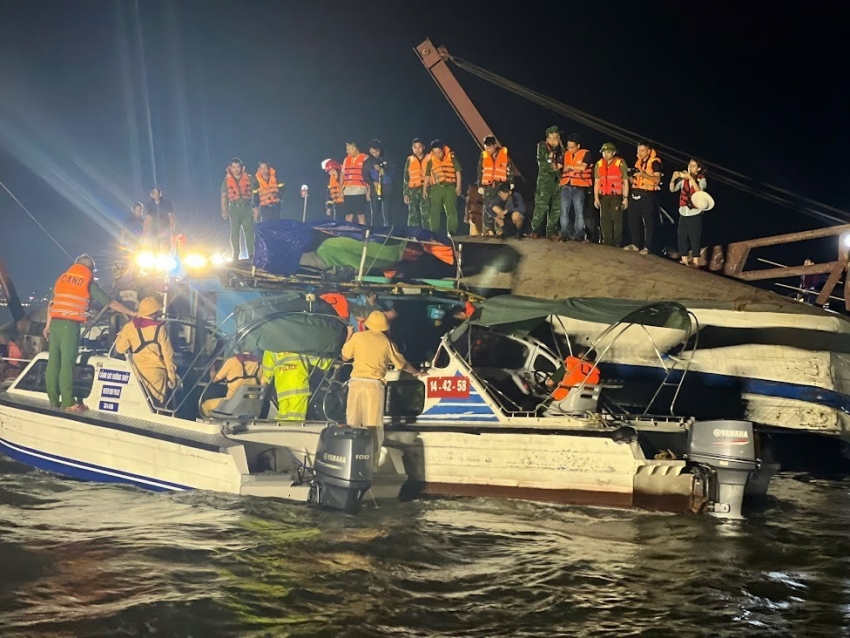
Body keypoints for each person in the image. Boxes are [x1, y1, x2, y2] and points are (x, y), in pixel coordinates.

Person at [44, 254, 136, 411]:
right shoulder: (87, 282)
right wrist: (132, 313)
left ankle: (53, 399)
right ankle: (68, 402)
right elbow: (110, 302)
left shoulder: (62, 279)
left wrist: (47, 326)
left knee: (53, 362)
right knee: (67, 363)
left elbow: (51, 304)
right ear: (90, 269)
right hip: (69, 326)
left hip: (55, 324)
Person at [341, 310, 422, 469]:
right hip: (374, 387)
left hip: (356, 384)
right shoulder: (386, 343)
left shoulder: (358, 337)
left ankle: (350, 461)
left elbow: (344, 357)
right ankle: (372, 465)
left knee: (353, 424)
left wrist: (349, 334)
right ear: (385, 327)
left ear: (368, 324)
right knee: (373, 426)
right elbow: (402, 364)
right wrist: (417, 372)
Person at [114, 296, 177, 407]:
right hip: (156, 375)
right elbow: (168, 355)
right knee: (157, 408)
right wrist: (172, 376)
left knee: (139, 407)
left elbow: (120, 349)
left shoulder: (130, 327)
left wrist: (121, 335)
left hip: (137, 374)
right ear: (154, 313)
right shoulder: (160, 329)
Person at [261, 350, 332, 421]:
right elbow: (316, 359)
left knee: (282, 420)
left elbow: (267, 372)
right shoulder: (301, 344)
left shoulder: (270, 347)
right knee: (295, 421)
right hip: (299, 390)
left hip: (282, 392)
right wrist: (331, 361)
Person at [669, 158, 708, 267]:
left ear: (698, 169)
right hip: (683, 212)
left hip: (695, 213)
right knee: (682, 236)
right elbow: (672, 189)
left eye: (693, 166)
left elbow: (699, 191)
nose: (690, 168)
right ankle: (684, 260)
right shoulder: (683, 181)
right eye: (689, 165)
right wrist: (673, 179)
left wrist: (691, 178)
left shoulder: (702, 180)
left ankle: (696, 262)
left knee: (694, 237)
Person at [626, 141, 663, 254]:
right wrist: (629, 175)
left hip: (647, 194)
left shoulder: (655, 162)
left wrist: (643, 174)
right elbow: (633, 181)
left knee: (648, 221)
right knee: (632, 219)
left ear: (648, 151)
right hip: (635, 192)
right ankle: (635, 244)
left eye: (642, 150)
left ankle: (647, 246)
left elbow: (657, 179)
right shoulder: (638, 162)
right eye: (638, 150)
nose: (640, 152)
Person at [200, 351, 261, 417]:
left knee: (204, 406)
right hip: (252, 405)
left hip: (232, 405)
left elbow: (214, 379)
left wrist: (212, 367)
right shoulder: (259, 363)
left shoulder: (232, 361)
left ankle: (213, 421)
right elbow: (263, 383)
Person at [221, 158, 259, 261]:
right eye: (233, 167)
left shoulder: (249, 178)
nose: (236, 169)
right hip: (234, 209)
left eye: (238, 167)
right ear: (231, 168)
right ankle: (236, 254)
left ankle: (251, 254)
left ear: (241, 167)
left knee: (249, 232)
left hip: (247, 208)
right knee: (235, 233)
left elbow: (255, 194)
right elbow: (224, 196)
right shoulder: (226, 180)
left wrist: (256, 209)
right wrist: (224, 210)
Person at [530, 126, 563, 239]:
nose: (555, 140)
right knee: (541, 206)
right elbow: (546, 162)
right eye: (552, 137)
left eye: (557, 137)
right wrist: (556, 164)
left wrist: (560, 145)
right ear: (548, 138)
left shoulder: (560, 149)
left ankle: (551, 231)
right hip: (545, 181)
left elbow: (564, 158)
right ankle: (535, 229)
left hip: (557, 182)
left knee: (556, 208)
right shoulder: (543, 146)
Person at [423, 140, 462, 235]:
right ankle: (434, 232)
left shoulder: (452, 158)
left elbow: (458, 172)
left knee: (451, 210)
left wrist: (458, 186)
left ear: (443, 149)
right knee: (434, 211)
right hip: (436, 188)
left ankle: (451, 231)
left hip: (450, 187)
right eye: (435, 153)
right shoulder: (430, 161)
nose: (437, 155)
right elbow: (427, 175)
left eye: (439, 152)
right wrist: (424, 189)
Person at [593, 142, 629, 247]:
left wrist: (625, 198)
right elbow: (597, 182)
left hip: (616, 196)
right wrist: (596, 198)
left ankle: (616, 243)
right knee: (604, 219)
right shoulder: (599, 164)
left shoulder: (620, 163)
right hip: (604, 196)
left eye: (608, 152)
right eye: (604, 152)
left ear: (613, 153)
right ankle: (606, 241)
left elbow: (625, 181)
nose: (606, 154)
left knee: (617, 219)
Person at [559, 134, 592, 242]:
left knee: (579, 212)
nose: (569, 149)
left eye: (572, 147)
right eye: (568, 147)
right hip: (566, 186)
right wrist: (551, 159)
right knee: (564, 212)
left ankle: (578, 235)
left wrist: (571, 167)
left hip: (578, 187)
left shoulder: (585, 153)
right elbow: (557, 167)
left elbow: (583, 167)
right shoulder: (566, 154)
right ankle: (564, 234)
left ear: (578, 146)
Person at [477, 135, 512, 232]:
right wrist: (480, 186)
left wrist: (511, 182)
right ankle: (488, 229)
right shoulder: (483, 155)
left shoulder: (503, 154)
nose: (488, 149)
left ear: (495, 145)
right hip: (488, 186)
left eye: (490, 147)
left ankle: (499, 228)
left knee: (499, 206)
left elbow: (509, 168)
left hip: (500, 185)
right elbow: (480, 171)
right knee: (487, 207)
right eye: (486, 147)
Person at [340, 140, 371, 225]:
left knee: (360, 215)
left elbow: (369, 175)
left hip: (360, 190)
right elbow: (342, 174)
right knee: (348, 215)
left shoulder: (365, 158)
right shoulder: (346, 159)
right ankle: (348, 231)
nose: (347, 151)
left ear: (354, 148)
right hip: (348, 191)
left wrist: (369, 190)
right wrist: (340, 190)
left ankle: (362, 232)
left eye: (348, 148)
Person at [367, 139, 395, 226]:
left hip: (386, 187)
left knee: (386, 211)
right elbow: (365, 175)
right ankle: (374, 230)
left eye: (377, 151)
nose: (375, 154)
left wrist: (382, 169)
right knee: (375, 212)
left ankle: (387, 230)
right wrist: (372, 182)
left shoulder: (387, 158)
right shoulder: (368, 161)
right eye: (372, 152)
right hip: (374, 188)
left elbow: (393, 171)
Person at [403, 138, 429, 228]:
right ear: (412, 148)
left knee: (427, 214)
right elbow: (406, 177)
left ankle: (427, 234)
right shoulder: (410, 160)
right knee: (413, 214)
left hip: (427, 189)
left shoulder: (429, 158)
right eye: (415, 147)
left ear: (423, 147)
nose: (417, 149)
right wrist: (406, 194)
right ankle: (413, 234)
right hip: (413, 190)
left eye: (419, 147)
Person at [145, 187, 176, 252]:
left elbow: (171, 217)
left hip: (165, 229)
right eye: (154, 193)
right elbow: (148, 218)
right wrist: (145, 230)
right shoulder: (149, 204)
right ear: (151, 194)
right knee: (155, 249)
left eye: (157, 193)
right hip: (154, 230)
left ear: (160, 193)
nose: (156, 195)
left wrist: (171, 230)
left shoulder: (167, 203)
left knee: (166, 249)